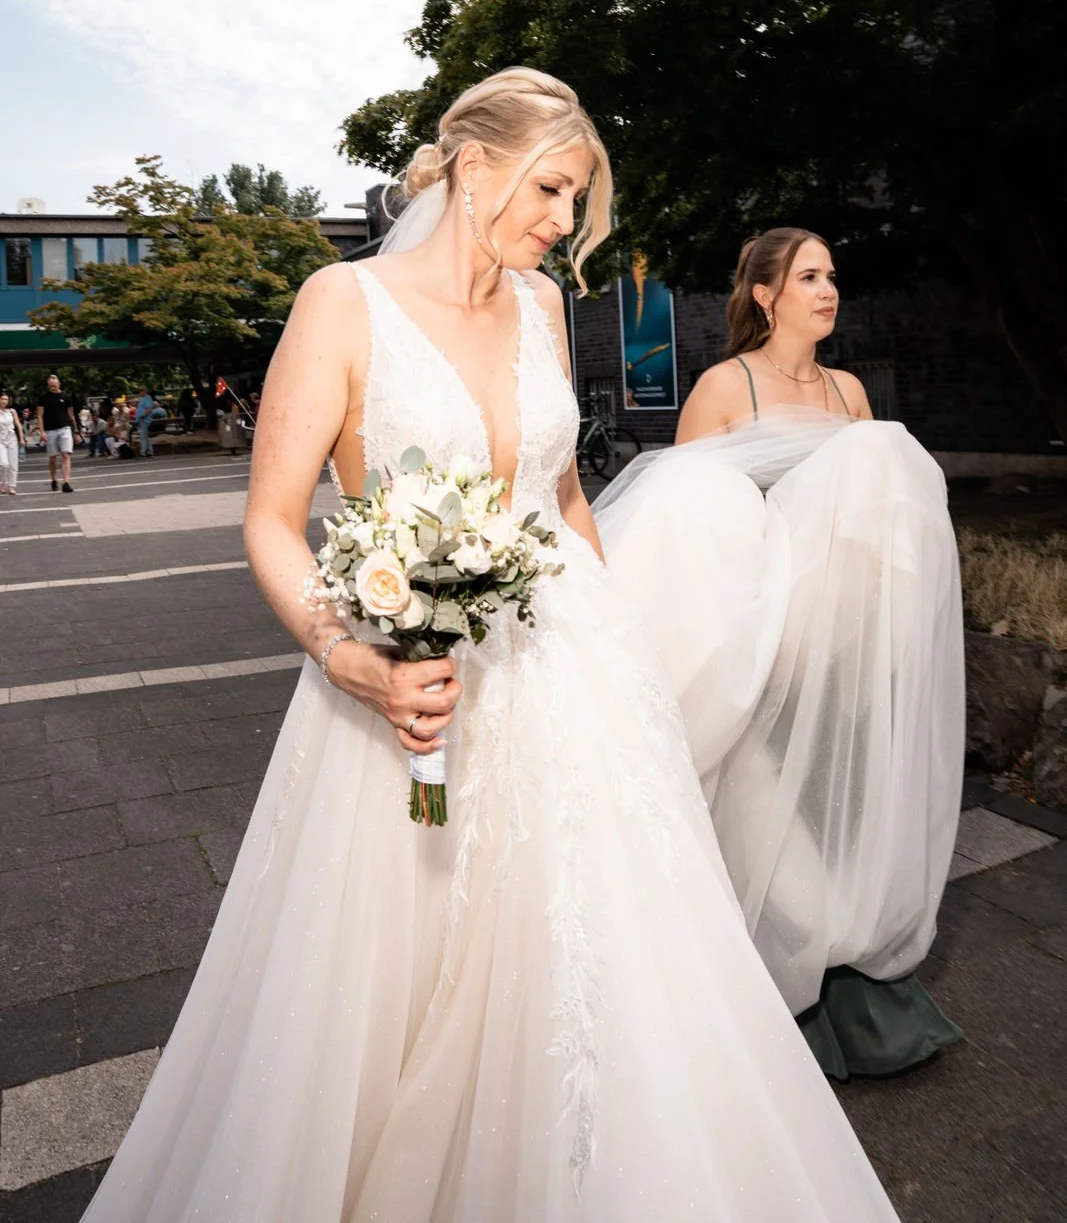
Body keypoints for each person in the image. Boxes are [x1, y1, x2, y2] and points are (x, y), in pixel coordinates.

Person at [80, 73, 899, 1223]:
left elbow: (562, 496)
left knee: (614, 970)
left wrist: (626, 645)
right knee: (399, 988)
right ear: (474, 168)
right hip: (412, 685)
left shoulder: (540, 309)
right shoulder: (341, 301)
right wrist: (349, 658)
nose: (565, 222)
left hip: (578, 676)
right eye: (553, 188)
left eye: (575, 198)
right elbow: (271, 519)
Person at [596, 228, 966, 1080]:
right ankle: (752, 986)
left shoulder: (848, 393)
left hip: (841, 631)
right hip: (750, 613)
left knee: (832, 806)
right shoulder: (727, 386)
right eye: (807, 276)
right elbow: (680, 517)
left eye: (831, 276)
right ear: (764, 295)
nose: (826, 290)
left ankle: (846, 968)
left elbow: (883, 520)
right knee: (750, 801)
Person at [37, 373, 81, 492]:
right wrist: (42, 432)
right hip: (50, 430)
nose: (52, 387)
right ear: (48, 385)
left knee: (66, 455)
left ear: (59, 384)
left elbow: (71, 415)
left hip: (65, 429)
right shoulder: (44, 398)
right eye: (50, 385)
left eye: (54, 385)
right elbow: (40, 415)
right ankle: (53, 479)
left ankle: (66, 482)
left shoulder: (66, 397)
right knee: (52, 458)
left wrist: (76, 431)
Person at [0, 390, 25, 494]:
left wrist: (22, 438)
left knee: (13, 464)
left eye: (6, 399)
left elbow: (18, 424)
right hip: (0, 439)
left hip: (12, 439)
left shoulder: (12, 411)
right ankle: (3, 482)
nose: (4, 401)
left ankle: (12, 486)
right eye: (2, 399)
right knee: (4, 463)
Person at [133, 386, 167, 457]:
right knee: (145, 436)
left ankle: (143, 452)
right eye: (140, 391)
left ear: (145, 391)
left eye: (142, 391)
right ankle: (150, 451)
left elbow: (149, 409)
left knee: (143, 436)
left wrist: (143, 415)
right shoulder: (142, 399)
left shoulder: (147, 398)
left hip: (145, 419)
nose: (140, 392)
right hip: (141, 419)